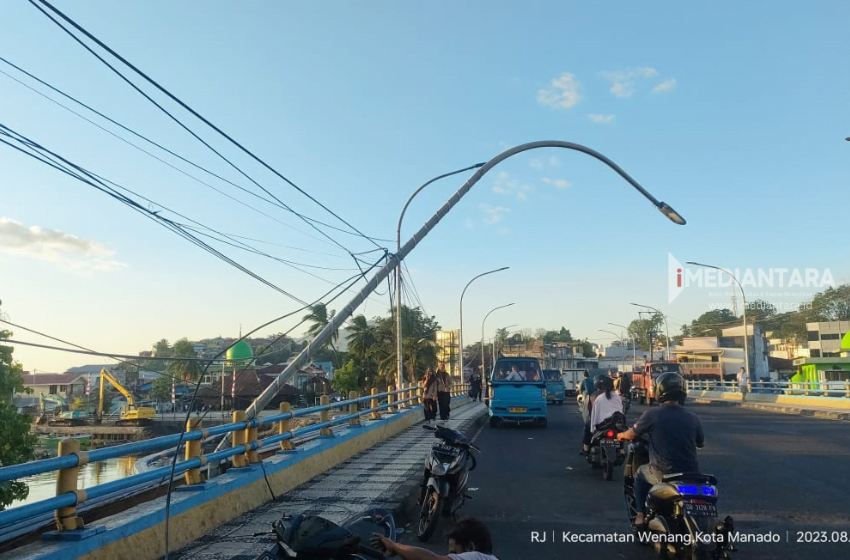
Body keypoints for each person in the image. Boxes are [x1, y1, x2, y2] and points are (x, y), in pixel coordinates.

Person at [617, 372, 704, 529]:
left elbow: (632, 434)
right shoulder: (693, 417)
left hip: (663, 472)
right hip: (691, 473)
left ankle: (640, 514)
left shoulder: (652, 414)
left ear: (659, 391)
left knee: (640, 474)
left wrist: (621, 435)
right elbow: (700, 443)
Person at [373, 516, 499, 559]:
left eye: (454, 553)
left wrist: (395, 546)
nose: (451, 556)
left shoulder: (477, 557)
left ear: (471, 546)